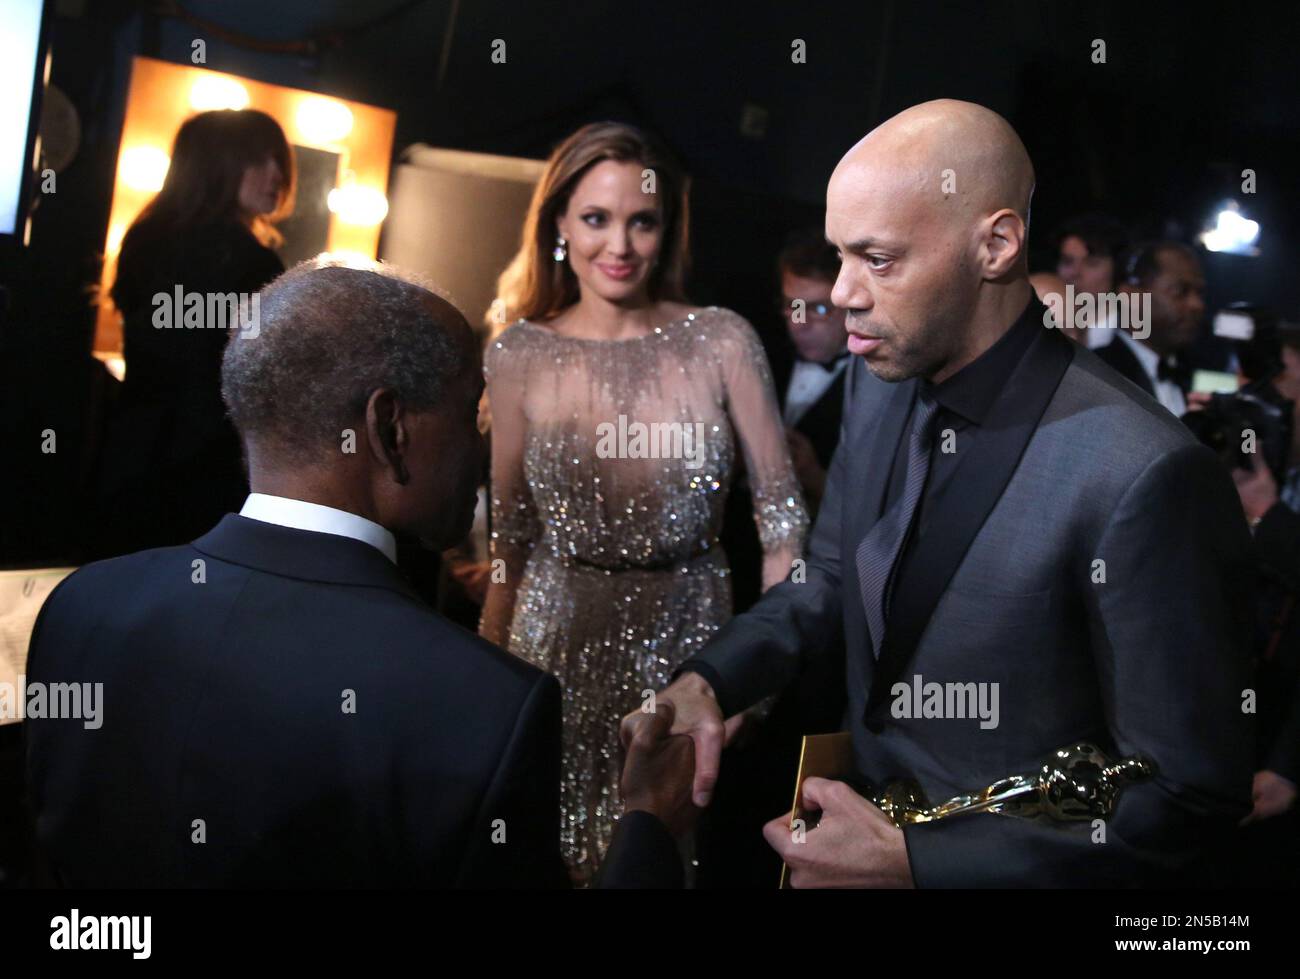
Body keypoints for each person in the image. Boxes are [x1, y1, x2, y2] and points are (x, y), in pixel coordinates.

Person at [636, 99, 1256, 887]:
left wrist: (919, 863)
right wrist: (712, 680)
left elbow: (1189, 796)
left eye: (879, 259)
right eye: (838, 256)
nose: (842, 293)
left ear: (995, 244)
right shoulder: (879, 385)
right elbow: (827, 575)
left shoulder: (1143, 470)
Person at [24, 258, 696, 888]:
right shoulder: (483, 706)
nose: (482, 440)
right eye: (471, 409)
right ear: (389, 428)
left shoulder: (81, 606)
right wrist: (650, 824)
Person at [480, 121, 808, 883]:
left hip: (693, 651)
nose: (619, 243)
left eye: (643, 220)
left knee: (671, 864)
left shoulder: (722, 340)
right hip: (552, 651)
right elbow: (511, 542)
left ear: (669, 227)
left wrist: (751, 687)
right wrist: (490, 681)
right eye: (596, 218)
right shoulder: (518, 353)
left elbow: (784, 526)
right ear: (559, 224)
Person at [95, 109, 292, 557]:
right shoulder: (250, 262)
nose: (276, 174)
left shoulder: (144, 238)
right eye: (260, 161)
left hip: (132, 456)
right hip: (208, 470)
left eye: (278, 160)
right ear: (217, 165)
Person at [1095, 240, 1204, 416]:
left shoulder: (1191, 371)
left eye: (1199, 293)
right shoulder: (1097, 372)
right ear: (1131, 297)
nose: (1196, 304)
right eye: (1180, 291)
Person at [1053, 212, 1129, 348]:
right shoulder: (1043, 333)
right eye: (1067, 261)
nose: (1075, 273)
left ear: (1117, 270)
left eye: (1091, 263)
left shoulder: (1132, 338)